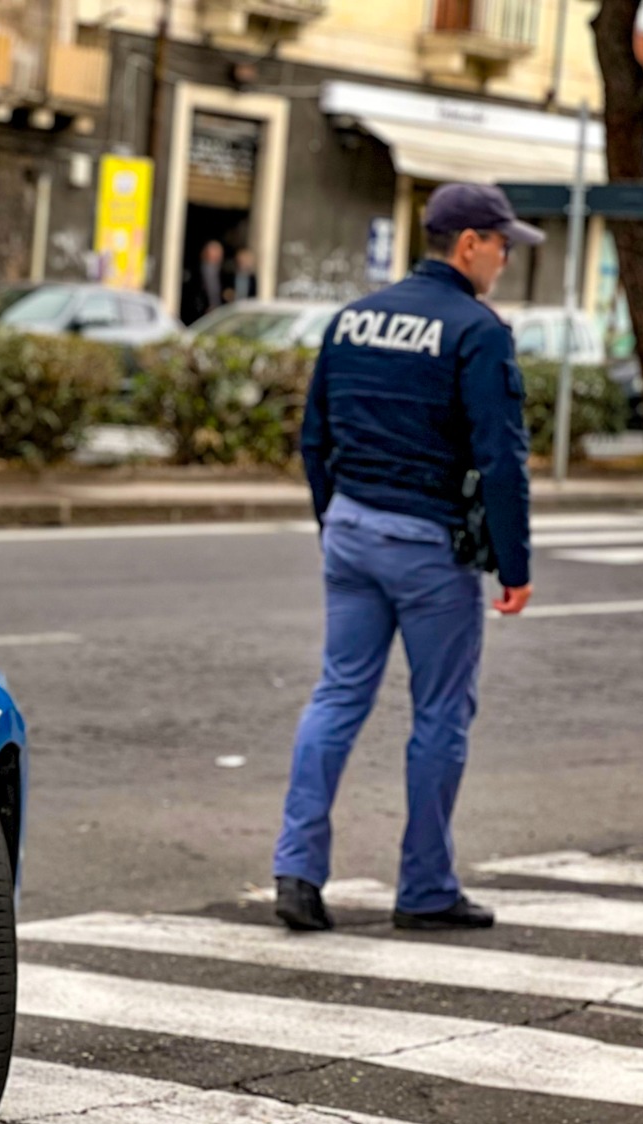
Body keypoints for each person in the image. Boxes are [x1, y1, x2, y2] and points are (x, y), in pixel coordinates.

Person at [272, 183, 542, 934]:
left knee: (336, 697)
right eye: (502, 244)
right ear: (468, 244)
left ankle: (296, 872)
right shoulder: (476, 330)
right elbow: (501, 458)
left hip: (352, 530)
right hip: (427, 546)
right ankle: (424, 887)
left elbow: (315, 434)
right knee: (440, 715)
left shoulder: (354, 320)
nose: (505, 257)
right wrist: (514, 566)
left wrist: (336, 519)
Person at [184, 240, 227, 323]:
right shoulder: (194, 273)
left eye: (219, 253)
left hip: (220, 316)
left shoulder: (225, 273)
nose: (217, 256)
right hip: (199, 316)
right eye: (213, 252)